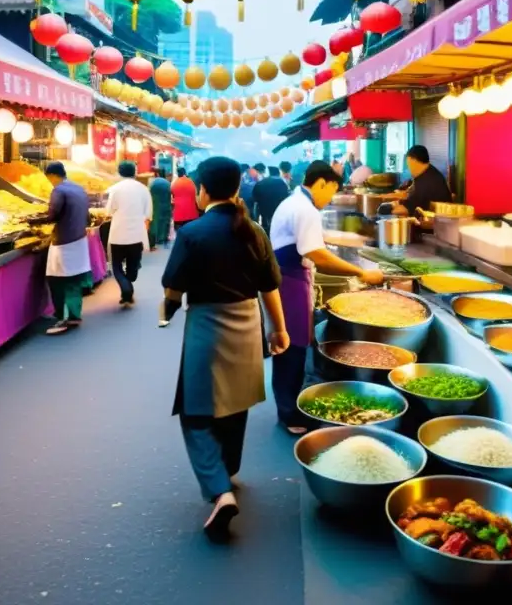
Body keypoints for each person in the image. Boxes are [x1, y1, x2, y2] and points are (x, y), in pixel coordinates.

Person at [160, 156, 289, 537]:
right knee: (236, 401)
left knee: (196, 411)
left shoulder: (193, 233)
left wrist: (166, 311)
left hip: (208, 326)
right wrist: (278, 331)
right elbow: (270, 288)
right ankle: (229, 469)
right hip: (248, 323)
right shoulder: (253, 232)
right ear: (236, 189)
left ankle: (219, 490)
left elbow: (173, 289)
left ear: (202, 190)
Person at [267, 161, 384, 434]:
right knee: (292, 348)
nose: (330, 198)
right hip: (290, 282)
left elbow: (313, 240)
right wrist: (361, 273)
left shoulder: (295, 202)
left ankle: (289, 408)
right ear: (321, 183)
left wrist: (347, 239)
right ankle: (291, 416)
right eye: (330, 191)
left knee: (290, 346)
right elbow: (317, 254)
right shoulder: (305, 209)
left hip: (287, 278)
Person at [42, 162, 92, 335]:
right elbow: (88, 217)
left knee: (58, 280)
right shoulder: (79, 188)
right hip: (79, 240)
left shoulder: (58, 191)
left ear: (51, 175)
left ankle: (64, 317)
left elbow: (52, 215)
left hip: (64, 241)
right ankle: (74, 314)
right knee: (74, 280)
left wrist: (33, 221)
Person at [106, 160, 152, 307]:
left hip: (118, 233)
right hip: (137, 234)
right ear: (135, 172)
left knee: (117, 266)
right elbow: (148, 213)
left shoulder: (114, 189)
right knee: (133, 266)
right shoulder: (143, 189)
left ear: (119, 172)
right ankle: (128, 287)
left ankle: (126, 289)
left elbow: (108, 211)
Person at [387, 145, 453, 217]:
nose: (409, 169)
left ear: (414, 161)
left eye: (409, 165)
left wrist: (388, 210)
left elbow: (407, 209)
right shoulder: (429, 172)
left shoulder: (427, 181)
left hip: (436, 224)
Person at [251, 166, 290, 236]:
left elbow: (255, 204)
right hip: (280, 217)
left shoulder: (260, 184)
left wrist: (256, 221)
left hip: (265, 217)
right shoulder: (282, 183)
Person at [149, 169, 173, 250]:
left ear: (157, 174)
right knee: (165, 220)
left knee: (156, 222)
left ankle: (156, 239)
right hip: (166, 204)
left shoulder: (153, 182)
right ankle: (164, 237)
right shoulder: (167, 183)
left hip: (156, 205)